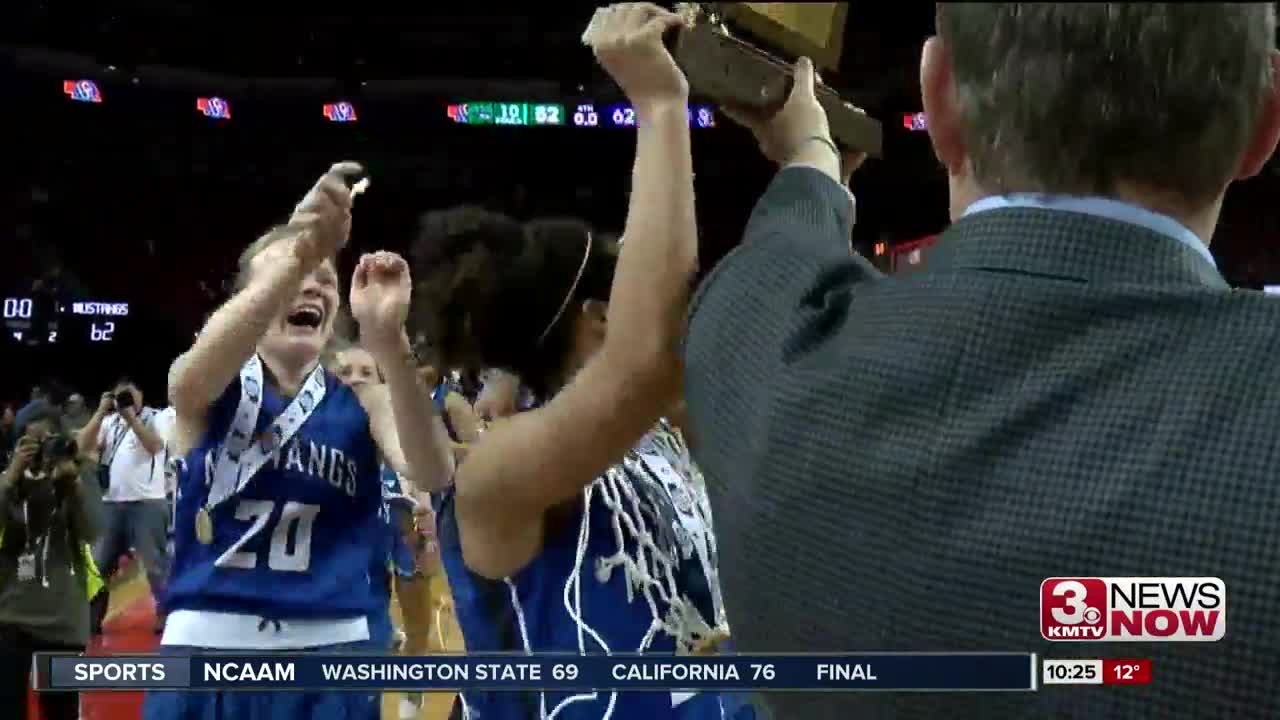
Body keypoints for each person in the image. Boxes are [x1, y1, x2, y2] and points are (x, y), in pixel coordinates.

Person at [682, 4, 1280, 718]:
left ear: (938, 100)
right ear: (1264, 123)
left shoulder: (766, 352)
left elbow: (781, 249)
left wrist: (811, 155)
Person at [408, 5, 738, 718]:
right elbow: (649, 357)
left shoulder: (666, 432)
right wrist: (658, 105)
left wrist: (813, 163)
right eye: (630, 280)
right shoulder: (497, 473)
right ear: (598, 315)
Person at [144, 163, 454, 720]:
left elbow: (432, 472)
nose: (312, 280)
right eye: (293, 273)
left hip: (332, 650)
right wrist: (303, 247)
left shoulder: (360, 393)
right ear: (251, 296)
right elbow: (183, 383)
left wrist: (389, 342)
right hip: (206, 647)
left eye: (325, 277)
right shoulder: (213, 383)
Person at [0, 406, 102, 720]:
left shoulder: (77, 471)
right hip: (9, 613)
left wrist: (73, 487)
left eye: (49, 439)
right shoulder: (9, 476)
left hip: (62, 618)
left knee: (60, 712)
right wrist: (10, 477)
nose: (43, 448)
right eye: (33, 441)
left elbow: (92, 531)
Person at [76, 379, 172, 635]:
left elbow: (154, 446)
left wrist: (131, 418)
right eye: (120, 398)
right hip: (111, 504)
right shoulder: (110, 423)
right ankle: (91, 619)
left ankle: (166, 615)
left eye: (129, 396)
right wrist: (99, 412)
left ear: (141, 394)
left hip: (147, 502)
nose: (124, 402)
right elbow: (82, 447)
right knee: (99, 565)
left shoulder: (159, 417)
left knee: (154, 565)